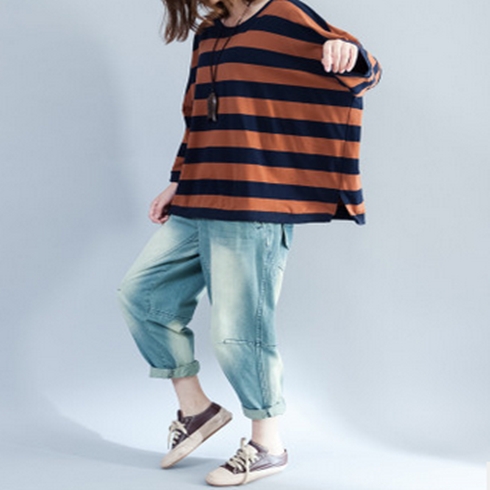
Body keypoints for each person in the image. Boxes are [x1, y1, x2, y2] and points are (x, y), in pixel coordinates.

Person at [117, 0, 381, 486]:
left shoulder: (284, 14)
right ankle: (196, 410)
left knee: (238, 331)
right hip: (199, 192)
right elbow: (197, 116)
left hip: (254, 199)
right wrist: (177, 181)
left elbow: (365, 72)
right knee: (142, 296)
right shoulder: (209, 33)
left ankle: (268, 445)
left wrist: (351, 52)